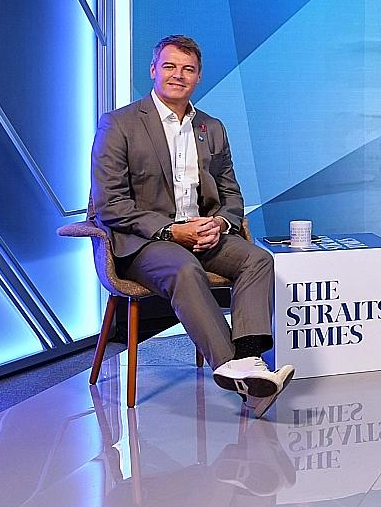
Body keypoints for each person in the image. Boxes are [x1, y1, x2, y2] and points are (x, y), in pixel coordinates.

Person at [90, 35, 293, 415]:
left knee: (257, 260)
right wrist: (170, 231)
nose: (178, 76)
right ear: (153, 71)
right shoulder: (118, 125)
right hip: (144, 243)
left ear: (198, 77)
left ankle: (249, 360)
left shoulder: (212, 128)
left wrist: (219, 223)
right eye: (169, 66)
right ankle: (237, 369)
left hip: (202, 235)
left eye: (188, 69)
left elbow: (232, 195)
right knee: (183, 267)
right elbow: (109, 205)